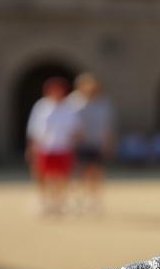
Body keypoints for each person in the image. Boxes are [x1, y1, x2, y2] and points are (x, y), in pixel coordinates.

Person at [26, 76, 80, 215]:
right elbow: (33, 128)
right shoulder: (41, 106)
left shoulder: (70, 108)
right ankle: (44, 201)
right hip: (44, 147)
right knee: (42, 176)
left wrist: (73, 142)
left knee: (62, 177)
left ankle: (59, 202)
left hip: (63, 147)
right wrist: (31, 147)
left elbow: (76, 129)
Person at [68, 73, 115, 213]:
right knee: (78, 173)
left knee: (96, 173)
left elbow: (107, 125)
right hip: (79, 144)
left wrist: (108, 142)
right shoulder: (73, 102)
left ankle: (94, 199)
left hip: (96, 143)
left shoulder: (103, 103)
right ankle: (78, 198)